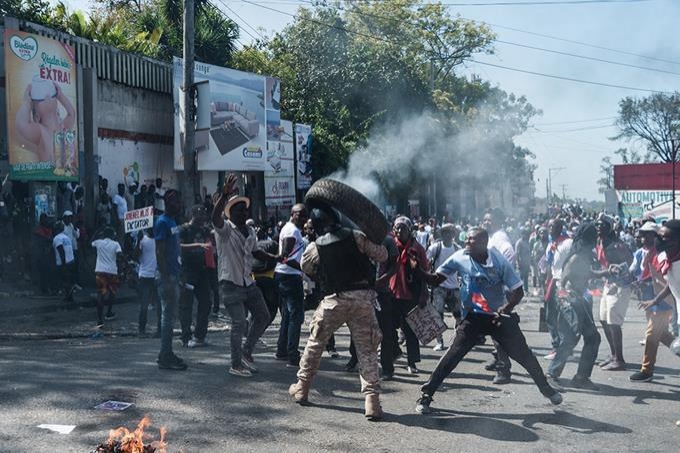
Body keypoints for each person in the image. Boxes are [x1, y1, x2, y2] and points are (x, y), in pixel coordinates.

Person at [410, 227, 563, 414]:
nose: (466, 242)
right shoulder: (460, 257)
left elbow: (518, 291)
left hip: (498, 317)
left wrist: (506, 309)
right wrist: (417, 270)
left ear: (483, 243)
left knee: (524, 356)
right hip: (473, 317)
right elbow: (434, 280)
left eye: (471, 240)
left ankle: (546, 389)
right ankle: (426, 395)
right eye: (466, 239)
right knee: (452, 355)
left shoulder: (499, 261)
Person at [288, 205, 388, 421]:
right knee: (367, 350)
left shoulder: (316, 246)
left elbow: (306, 267)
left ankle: (302, 388)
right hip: (362, 299)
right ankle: (372, 402)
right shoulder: (357, 236)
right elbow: (382, 255)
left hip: (333, 300)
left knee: (315, 344)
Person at [212, 174, 274, 377]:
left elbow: (256, 251)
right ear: (231, 213)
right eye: (239, 209)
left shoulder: (250, 230)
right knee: (239, 323)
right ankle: (235, 364)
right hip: (230, 282)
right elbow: (215, 217)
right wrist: (225, 194)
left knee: (264, 315)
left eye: (244, 209)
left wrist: (277, 256)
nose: (243, 211)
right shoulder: (225, 230)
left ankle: (247, 351)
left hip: (248, 281)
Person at [545, 223, 602, 392]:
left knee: (593, 338)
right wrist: (565, 299)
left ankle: (581, 377)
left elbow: (586, 274)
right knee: (570, 337)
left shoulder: (584, 255)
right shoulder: (577, 255)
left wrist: (606, 273)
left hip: (580, 300)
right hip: (569, 301)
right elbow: (564, 279)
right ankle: (551, 375)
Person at [631, 221, 679, 381]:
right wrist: (654, 300)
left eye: (667, 238)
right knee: (663, 336)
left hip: (668, 308)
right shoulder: (664, 256)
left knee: (652, 334)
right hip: (667, 306)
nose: (662, 241)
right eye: (661, 237)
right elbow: (670, 284)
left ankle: (647, 370)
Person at [389, 216, 428, 374]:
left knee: (410, 330)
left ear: (409, 230)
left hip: (410, 293)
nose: (399, 231)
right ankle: (395, 351)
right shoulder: (390, 245)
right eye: (397, 228)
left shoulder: (417, 248)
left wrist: (424, 293)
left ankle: (412, 362)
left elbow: (425, 271)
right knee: (389, 327)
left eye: (403, 228)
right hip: (392, 292)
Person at [596, 214, 634, 371]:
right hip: (608, 284)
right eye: (597, 225)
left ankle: (619, 359)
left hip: (620, 285)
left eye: (602, 225)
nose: (599, 227)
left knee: (613, 321)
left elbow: (629, 262)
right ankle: (613, 354)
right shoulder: (601, 242)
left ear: (609, 227)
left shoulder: (616, 245)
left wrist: (617, 276)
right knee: (603, 319)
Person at [482, 207, 516, 384]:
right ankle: (498, 359)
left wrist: (502, 281)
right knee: (494, 330)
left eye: (489, 220)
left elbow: (509, 255)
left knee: (499, 331)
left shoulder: (501, 239)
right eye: (484, 219)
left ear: (497, 221)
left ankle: (504, 370)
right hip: (491, 293)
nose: (485, 222)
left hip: (500, 294)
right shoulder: (492, 238)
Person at [155, 189, 187, 371]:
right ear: (168, 202)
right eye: (175, 201)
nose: (179, 204)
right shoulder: (162, 222)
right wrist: (166, 277)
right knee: (167, 318)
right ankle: (165, 355)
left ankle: (166, 353)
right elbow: (160, 251)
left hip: (174, 275)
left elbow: (175, 249)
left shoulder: (173, 221)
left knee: (170, 317)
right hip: (166, 276)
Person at [275, 203, 309, 368]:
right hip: (289, 276)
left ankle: (282, 350)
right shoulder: (292, 230)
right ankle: (292, 355)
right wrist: (303, 268)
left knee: (288, 316)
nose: (304, 218)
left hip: (284, 275)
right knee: (296, 316)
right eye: (300, 215)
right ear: (292, 214)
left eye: (305, 215)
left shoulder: (290, 228)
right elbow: (285, 256)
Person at [15, 79, 76, 164]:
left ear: (57, 112)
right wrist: (27, 103)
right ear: (37, 117)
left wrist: (60, 96)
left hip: (63, 173)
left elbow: (71, 114)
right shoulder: (41, 131)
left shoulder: (62, 128)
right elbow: (21, 124)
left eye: (51, 97)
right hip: (47, 174)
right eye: (42, 99)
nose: (47, 96)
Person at [178, 205, 214, 348]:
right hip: (187, 272)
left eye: (205, 213)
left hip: (202, 271)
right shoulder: (184, 229)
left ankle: (200, 335)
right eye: (201, 213)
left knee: (206, 302)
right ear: (193, 214)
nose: (204, 216)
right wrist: (197, 245)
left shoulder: (204, 229)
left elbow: (214, 232)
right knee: (186, 305)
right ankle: (186, 336)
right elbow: (178, 246)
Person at [426, 223, 461, 351]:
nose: (448, 235)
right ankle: (440, 341)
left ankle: (456, 339)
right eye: (445, 232)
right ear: (442, 234)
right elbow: (426, 261)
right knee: (438, 316)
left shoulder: (457, 248)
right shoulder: (436, 247)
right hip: (439, 287)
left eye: (450, 233)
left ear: (453, 235)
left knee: (458, 315)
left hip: (454, 287)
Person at [543, 219, 571, 360]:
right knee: (550, 315)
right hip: (552, 282)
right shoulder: (551, 245)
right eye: (549, 226)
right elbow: (550, 265)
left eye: (552, 226)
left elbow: (571, 263)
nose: (550, 229)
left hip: (563, 283)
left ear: (560, 228)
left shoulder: (567, 243)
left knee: (562, 317)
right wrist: (547, 282)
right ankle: (557, 345)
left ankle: (562, 348)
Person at [91, 227, 123, 328]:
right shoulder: (115, 244)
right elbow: (120, 255)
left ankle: (99, 320)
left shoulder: (98, 242)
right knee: (112, 292)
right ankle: (109, 312)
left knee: (101, 294)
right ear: (112, 235)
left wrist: (96, 233)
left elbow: (90, 243)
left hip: (100, 271)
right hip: (112, 271)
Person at [136, 228, 160, 338]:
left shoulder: (159, 240)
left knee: (158, 305)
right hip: (146, 276)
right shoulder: (142, 240)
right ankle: (142, 330)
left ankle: (159, 329)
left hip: (154, 276)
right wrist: (137, 242)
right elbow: (135, 256)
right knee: (145, 305)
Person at [52, 221, 76, 302]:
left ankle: (67, 296)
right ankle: (70, 297)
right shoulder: (66, 237)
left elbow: (61, 250)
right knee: (68, 279)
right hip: (71, 261)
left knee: (64, 280)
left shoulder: (57, 238)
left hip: (63, 262)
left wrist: (63, 263)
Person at [33, 213, 53, 294]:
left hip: (48, 255)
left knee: (47, 273)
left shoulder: (48, 229)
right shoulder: (38, 230)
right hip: (40, 255)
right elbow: (41, 240)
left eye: (46, 219)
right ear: (41, 220)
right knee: (42, 273)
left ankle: (46, 289)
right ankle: (43, 289)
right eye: (44, 219)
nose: (46, 221)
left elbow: (50, 239)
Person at [515, 228, 531, 293]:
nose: (525, 236)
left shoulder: (527, 241)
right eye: (524, 234)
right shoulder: (519, 242)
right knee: (520, 277)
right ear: (522, 234)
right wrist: (518, 263)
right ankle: (518, 290)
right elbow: (517, 253)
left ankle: (526, 290)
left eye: (526, 234)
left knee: (526, 277)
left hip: (527, 262)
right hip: (521, 262)